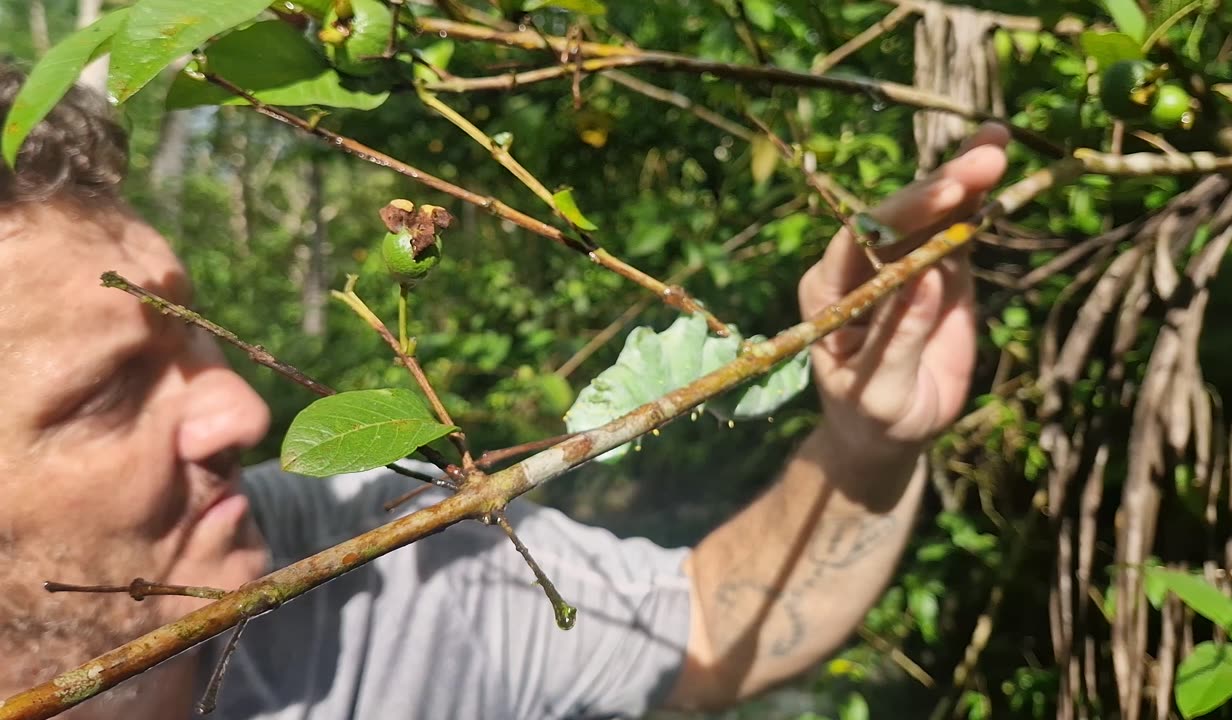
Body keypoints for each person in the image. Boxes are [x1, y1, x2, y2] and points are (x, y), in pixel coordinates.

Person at [0, 63, 1008, 719]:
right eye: (105, 393)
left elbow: (700, 620)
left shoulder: (356, 548)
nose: (245, 414)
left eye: (188, 328)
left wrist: (868, 441)